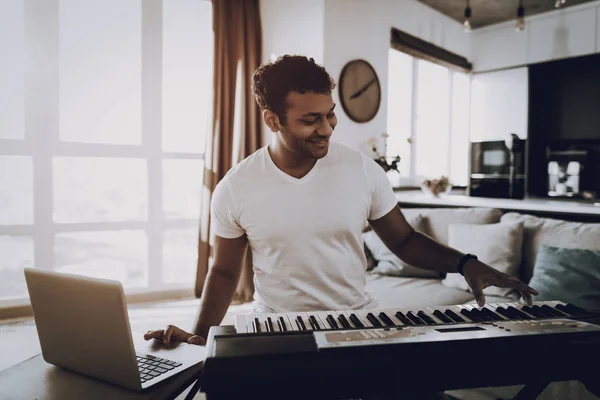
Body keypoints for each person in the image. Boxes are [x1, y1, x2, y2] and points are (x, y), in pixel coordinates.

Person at [145, 54, 538, 377]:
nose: (327, 128)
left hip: (354, 321)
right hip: (276, 325)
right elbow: (225, 272)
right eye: (310, 119)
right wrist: (201, 337)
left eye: (330, 114)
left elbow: (403, 240)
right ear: (272, 120)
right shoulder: (236, 185)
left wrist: (464, 263)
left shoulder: (362, 170)